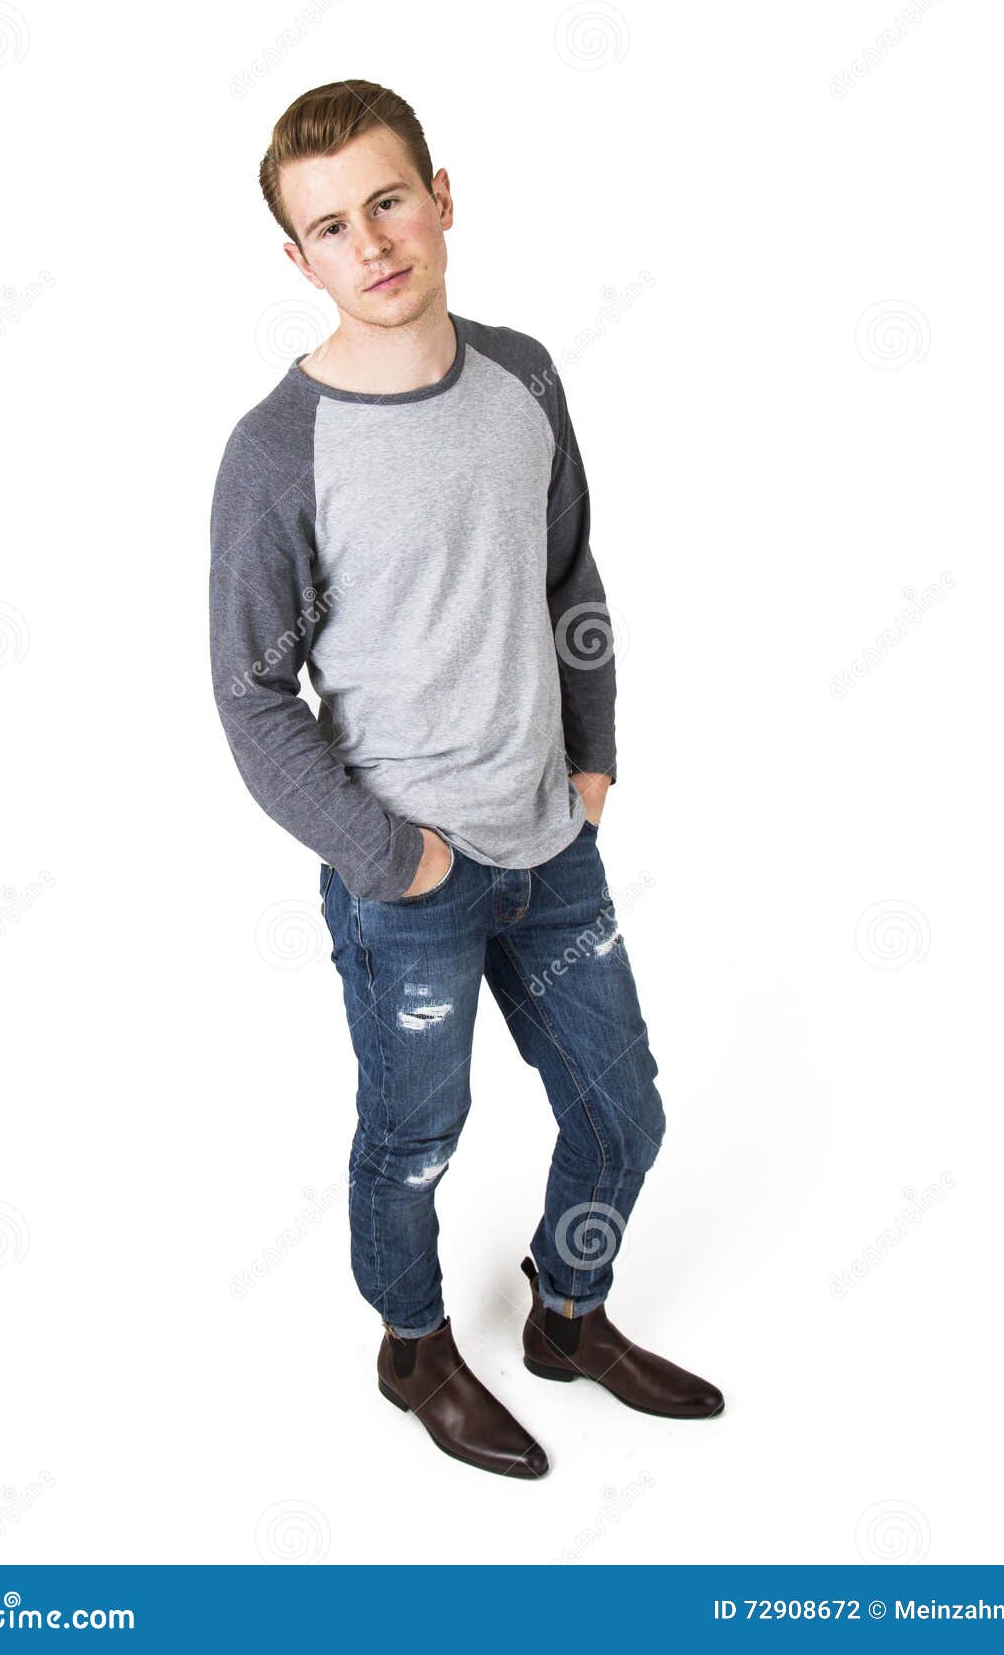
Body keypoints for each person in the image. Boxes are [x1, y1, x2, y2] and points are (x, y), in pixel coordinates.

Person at [209, 78, 723, 1480]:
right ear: (298, 259)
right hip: (410, 881)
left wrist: (597, 747)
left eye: (387, 200)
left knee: (627, 1112)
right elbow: (252, 699)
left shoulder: (524, 376)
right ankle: (414, 1343)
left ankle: (568, 1314)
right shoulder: (276, 452)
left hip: (555, 844)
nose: (369, 241)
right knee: (416, 1137)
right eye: (330, 225)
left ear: (442, 195)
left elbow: (571, 577)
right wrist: (401, 859)